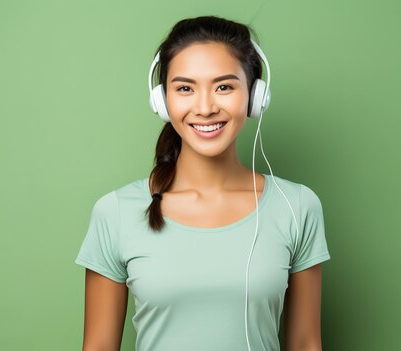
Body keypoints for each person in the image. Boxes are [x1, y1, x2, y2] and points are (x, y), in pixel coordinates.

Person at [75, 15, 331, 351]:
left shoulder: (297, 206)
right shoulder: (116, 212)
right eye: (185, 88)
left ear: (255, 96)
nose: (206, 107)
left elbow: (306, 343)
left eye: (224, 86)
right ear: (162, 101)